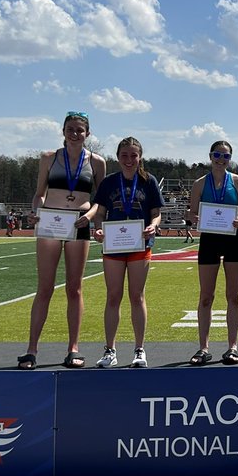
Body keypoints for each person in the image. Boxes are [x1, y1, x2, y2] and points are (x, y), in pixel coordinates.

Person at [17, 112, 106, 369]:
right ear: (63, 131)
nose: (75, 133)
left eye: (80, 129)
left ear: (88, 133)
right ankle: (31, 350)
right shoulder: (48, 158)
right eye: (70, 129)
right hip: (50, 224)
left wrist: (90, 217)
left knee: (74, 289)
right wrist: (35, 212)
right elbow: (39, 194)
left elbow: (100, 199)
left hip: (79, 224)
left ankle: (73, 349)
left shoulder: (97, 161)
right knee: (44, 288)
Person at [87, 137, 162, 370]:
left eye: (133, 155)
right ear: (118, 157)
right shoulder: (109, 182)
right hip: (114, 245)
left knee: (137, 296)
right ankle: (110, 350)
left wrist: (154, 225)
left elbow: (156, 212)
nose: (129, 160)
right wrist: (97, 227)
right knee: (113, 296)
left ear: (140, 157)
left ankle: (139, 349)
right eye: (124, 155)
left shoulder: (148, 181)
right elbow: (99, 211)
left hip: (140, 244)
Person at [187, 140, 238, 365]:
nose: (221, 159)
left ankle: (232, 347)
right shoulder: (199, 184)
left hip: (233, 238)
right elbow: (192, 214)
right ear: (210, 156)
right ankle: (203, 348)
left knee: (233, 296)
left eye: (225, 156)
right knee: (206, 296)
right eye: (217, 155)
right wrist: (194, 218)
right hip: (209, 241)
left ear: (230, 159)